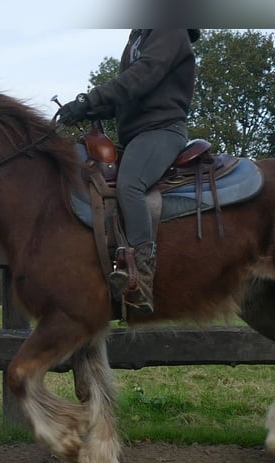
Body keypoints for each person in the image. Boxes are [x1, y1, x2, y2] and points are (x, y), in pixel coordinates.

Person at [58, 29, 200, 315]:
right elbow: (127, 95)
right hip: (136, 136)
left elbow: (143, 76)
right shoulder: (139, 35)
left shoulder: (169, 29)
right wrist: (89, 110)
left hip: (162, 130)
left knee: (130, 184)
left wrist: (90, 99)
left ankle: (141, 278)